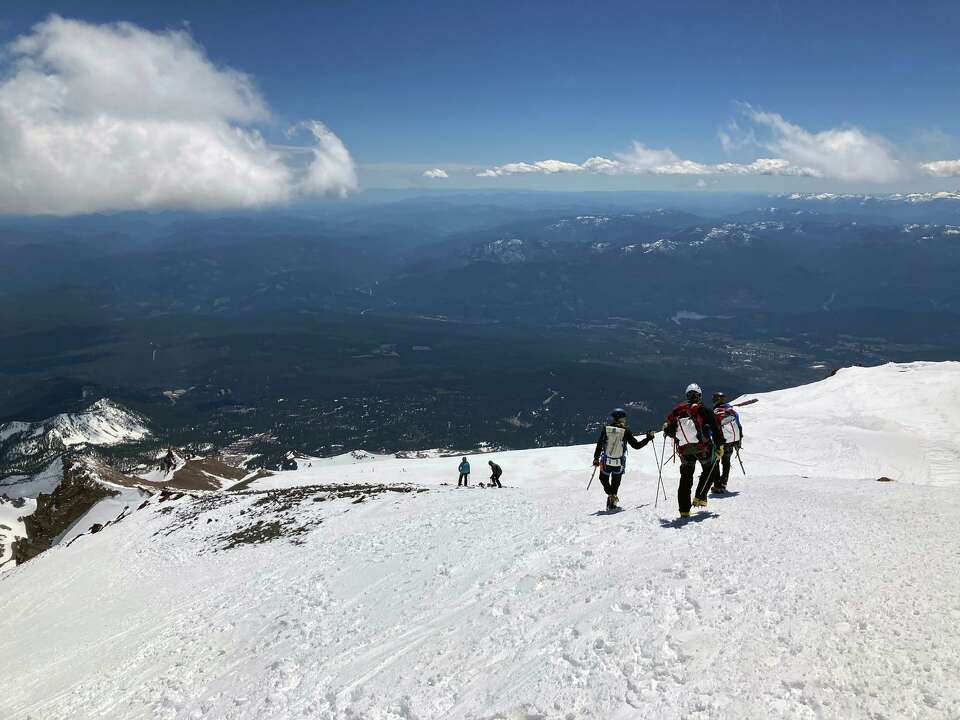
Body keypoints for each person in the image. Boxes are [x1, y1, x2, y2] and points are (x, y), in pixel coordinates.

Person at [663, 383, 726, 517]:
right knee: (710, 469)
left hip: (685, 450)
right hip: (703, 449)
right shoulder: (703, 410)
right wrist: (720, 446)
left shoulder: (677, 411)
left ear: (687, 395)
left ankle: (684, 510)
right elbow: (715, 428)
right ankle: (700, 496)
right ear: (699, 396)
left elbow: (669, 431)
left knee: (686, 478)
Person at [592, 408, 654, 511]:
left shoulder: (606, 429)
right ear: (621, 419)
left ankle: (610, 495)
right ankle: (612, 500)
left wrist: (596, 458)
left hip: (606, 461)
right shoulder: (625, 431)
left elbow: (599, 444)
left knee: (603, 479)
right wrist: (648, 438)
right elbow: (636, 445)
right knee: (616, 482)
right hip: (619, 462)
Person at [711, 391, 743, 493]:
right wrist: (739, 441)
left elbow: (712, 428)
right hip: (732, 441)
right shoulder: (731, 411)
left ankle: (717, 485)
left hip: (720, 441)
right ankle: (724, 483)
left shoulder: (715, 412)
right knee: (726, 461)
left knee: (715, 462)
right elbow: (739, 426)